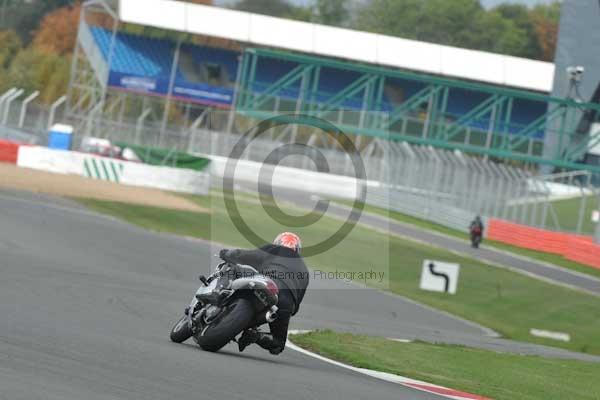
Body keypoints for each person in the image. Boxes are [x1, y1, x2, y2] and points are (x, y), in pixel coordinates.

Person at [218, 232, 309, 355]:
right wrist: (285, 313)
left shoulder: (275, 250)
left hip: (265, 283)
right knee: (278, 344)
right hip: (285, 303)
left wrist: (226, 254)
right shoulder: (304, 270)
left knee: (233, 268)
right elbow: (296, 306)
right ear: (298, 249)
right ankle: (256, 336)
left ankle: (217, 293)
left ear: (278, 243)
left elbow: (246, 255)